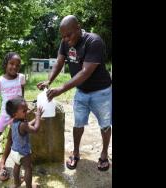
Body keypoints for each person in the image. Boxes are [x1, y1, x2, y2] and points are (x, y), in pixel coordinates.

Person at [37, 15, 112, 171]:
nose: (65, 39)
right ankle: (76, 152)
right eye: (63, 36)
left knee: (105, 125)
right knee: (78, 124)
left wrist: (61, 89)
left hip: (102, 92)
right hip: (81, 91)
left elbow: (85, 72)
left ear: (78, 28)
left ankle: (104, 154)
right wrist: (49, 80)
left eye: (68, 35)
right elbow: (59, 62)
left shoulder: (93, 41)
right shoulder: (65, 42)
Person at [0, 52, 26, 181]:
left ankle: (2, 162)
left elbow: (22, 97)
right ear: (6, 64)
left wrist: (25, 111)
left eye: (17, 65)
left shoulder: (21, 77)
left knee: (11, 139)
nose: (14, 67)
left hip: (18, 116)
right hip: (5, 115)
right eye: (11, 63)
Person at [6, 96, 43, 188]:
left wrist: (35, 119)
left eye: (27, 109)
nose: (27, 112)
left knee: (17, 166)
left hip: (14, 151)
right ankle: (29, 186)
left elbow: (27, 126)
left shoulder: (13, 121)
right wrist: (38, 116)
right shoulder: (23, 124)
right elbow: (34, 129)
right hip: (23, 153)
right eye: (24, 111)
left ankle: (16, 183)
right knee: (28, 168)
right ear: (15, 114)